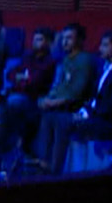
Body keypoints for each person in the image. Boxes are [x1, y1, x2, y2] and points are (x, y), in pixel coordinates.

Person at [36, 30, 112, 175]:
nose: (100, 49)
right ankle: (43, 162)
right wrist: (83, 112)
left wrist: (87, 115)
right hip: (93, 115)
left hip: (106, 123)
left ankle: (55, 171)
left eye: (105, 45)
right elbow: (93, 98)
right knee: (49, 117)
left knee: (62, 122)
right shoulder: (104, 68)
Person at [30, 22, 98, 165]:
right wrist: (47, 99)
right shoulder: (67, 59)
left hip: (76, 107)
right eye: (64, 38)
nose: (65, 42)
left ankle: (55, 168)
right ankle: (41, 161)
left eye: (69, 38)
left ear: (79, 40)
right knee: (39, 113)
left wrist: (54, 102)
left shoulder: (85, 60)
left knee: (56, 119)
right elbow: (60, 86)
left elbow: (77, 92)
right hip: (61, 105)